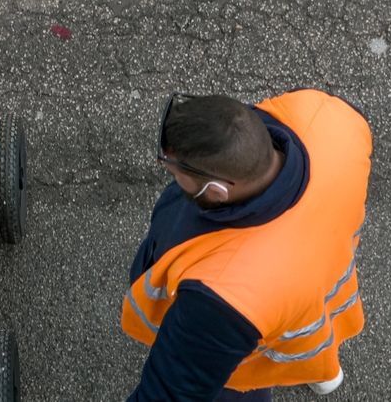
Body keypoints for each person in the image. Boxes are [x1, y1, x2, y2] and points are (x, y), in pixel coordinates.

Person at [122, 89, 371, 401]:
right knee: (313, 344)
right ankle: (322, 368)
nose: (170, 171)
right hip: (314, 295)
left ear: (216, 191)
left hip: (249, 346)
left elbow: (167, 394)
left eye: (175, 171)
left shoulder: (220, 298)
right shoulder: (326, 117)